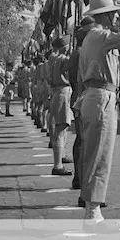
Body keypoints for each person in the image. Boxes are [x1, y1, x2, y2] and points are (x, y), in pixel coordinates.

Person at [75, 0, 120, 232]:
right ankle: (93, 214)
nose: (117, 17)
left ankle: (92, 210)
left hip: (93, 95)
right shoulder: (100, 35)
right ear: (106, 15)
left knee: (94, 153)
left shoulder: (90, 38)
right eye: (114, 13)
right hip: (101, 96)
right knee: (100, 155)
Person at [69, 16, 95, 200]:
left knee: (82, 141)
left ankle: (80, 179)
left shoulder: (77, 53)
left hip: (80, 97)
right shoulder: (80, 53)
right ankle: (83, 185)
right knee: (85, 142)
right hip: (84, 98)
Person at [48, 35, 74, 176]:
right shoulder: (64, 60)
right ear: (65, 47)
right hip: (63, 92)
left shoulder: (53, 60)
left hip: (57, 92)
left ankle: (60, 158)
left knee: (61, 128)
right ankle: (57, 165)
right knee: (61, 127)